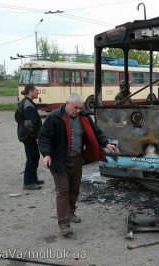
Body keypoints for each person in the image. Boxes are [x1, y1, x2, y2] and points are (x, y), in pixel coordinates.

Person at [38, 92, 117, 236]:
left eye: (80, 108)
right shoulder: (54, 117)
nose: (78, 111)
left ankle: (71, 212)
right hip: (58, 161)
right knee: (62, 191)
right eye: (76, 108)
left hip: (76, 159)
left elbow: (96, 132)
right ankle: (64, 224)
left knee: (74, 189)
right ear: (67, 103)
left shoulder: (84, 117)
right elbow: (44, 138)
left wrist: (106, 143)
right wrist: (46, 155)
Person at [15, 84, 43, 190]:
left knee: (34, 156)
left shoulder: (24, 102)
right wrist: (35, 135)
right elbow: (28, 124)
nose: (37, 92)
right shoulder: (28, 105)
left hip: (26, 135)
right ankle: (28, 182)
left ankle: (33, 178)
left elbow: (17, 117)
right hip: (29, 137)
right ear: (30, 92)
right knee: (32, 158)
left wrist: (22, 126)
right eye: (36, 90)